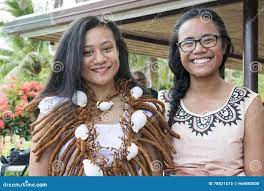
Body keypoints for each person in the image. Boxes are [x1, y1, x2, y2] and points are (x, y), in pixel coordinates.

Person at [26, 16, 178, 176]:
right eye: (87, 52)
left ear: (118, 50)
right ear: (73, 57)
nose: (99, 59)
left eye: (107, 49)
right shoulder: (54, 110)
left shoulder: (144, 109)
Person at [159, 8, 264, 176]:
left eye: (208, 40)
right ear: (178, 52)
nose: (198, 49)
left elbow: (256, 181)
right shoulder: (161, 103)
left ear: (224, 46)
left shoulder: (249, 104)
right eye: (188, 43)